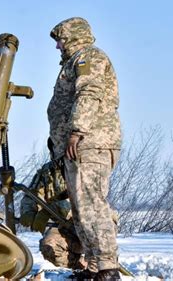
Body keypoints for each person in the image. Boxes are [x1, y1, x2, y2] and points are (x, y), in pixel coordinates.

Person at [47, 17, 122, 280]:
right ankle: (94, 267)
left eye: (60, 40)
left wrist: (77, 131)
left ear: (72, 37)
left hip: (90, 142)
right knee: (81, 209)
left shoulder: (87, 57)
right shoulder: (75, 61)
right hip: (79, 146)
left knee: (92, 205)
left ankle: (107, 268)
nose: (57, 46)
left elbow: (89, 91)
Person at [20, 139, 86, 270]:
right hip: (64, 227)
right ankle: (81, 267)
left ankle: (102, 267)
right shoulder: (48, 171)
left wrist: (49, 211)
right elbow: (31, 195)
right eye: (55, 147)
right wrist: (29, 213)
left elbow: (88, 200)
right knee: (49, 246)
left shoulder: (85, 167)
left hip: (91, 225)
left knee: (99, 254)